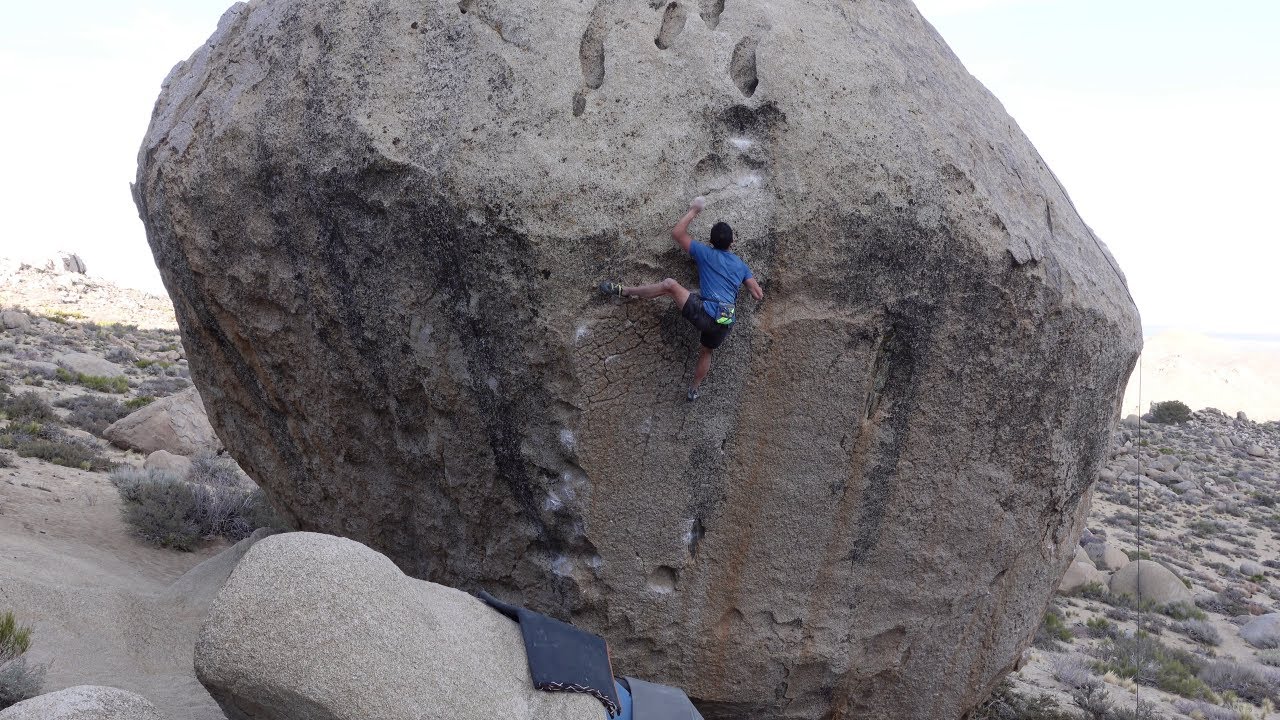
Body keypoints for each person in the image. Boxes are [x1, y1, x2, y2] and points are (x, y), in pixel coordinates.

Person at [599, 197, 763, 401]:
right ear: (732, 242)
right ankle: (693, 390)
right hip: (725, 321)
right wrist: (744, 284)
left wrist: (694, 210)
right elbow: (757, 294)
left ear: (711, 242)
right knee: (706, 351)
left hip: (705, 313)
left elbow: (677, 233)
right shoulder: (741, 265)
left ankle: (625, 291)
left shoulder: (705, 253)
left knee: (669, 285)